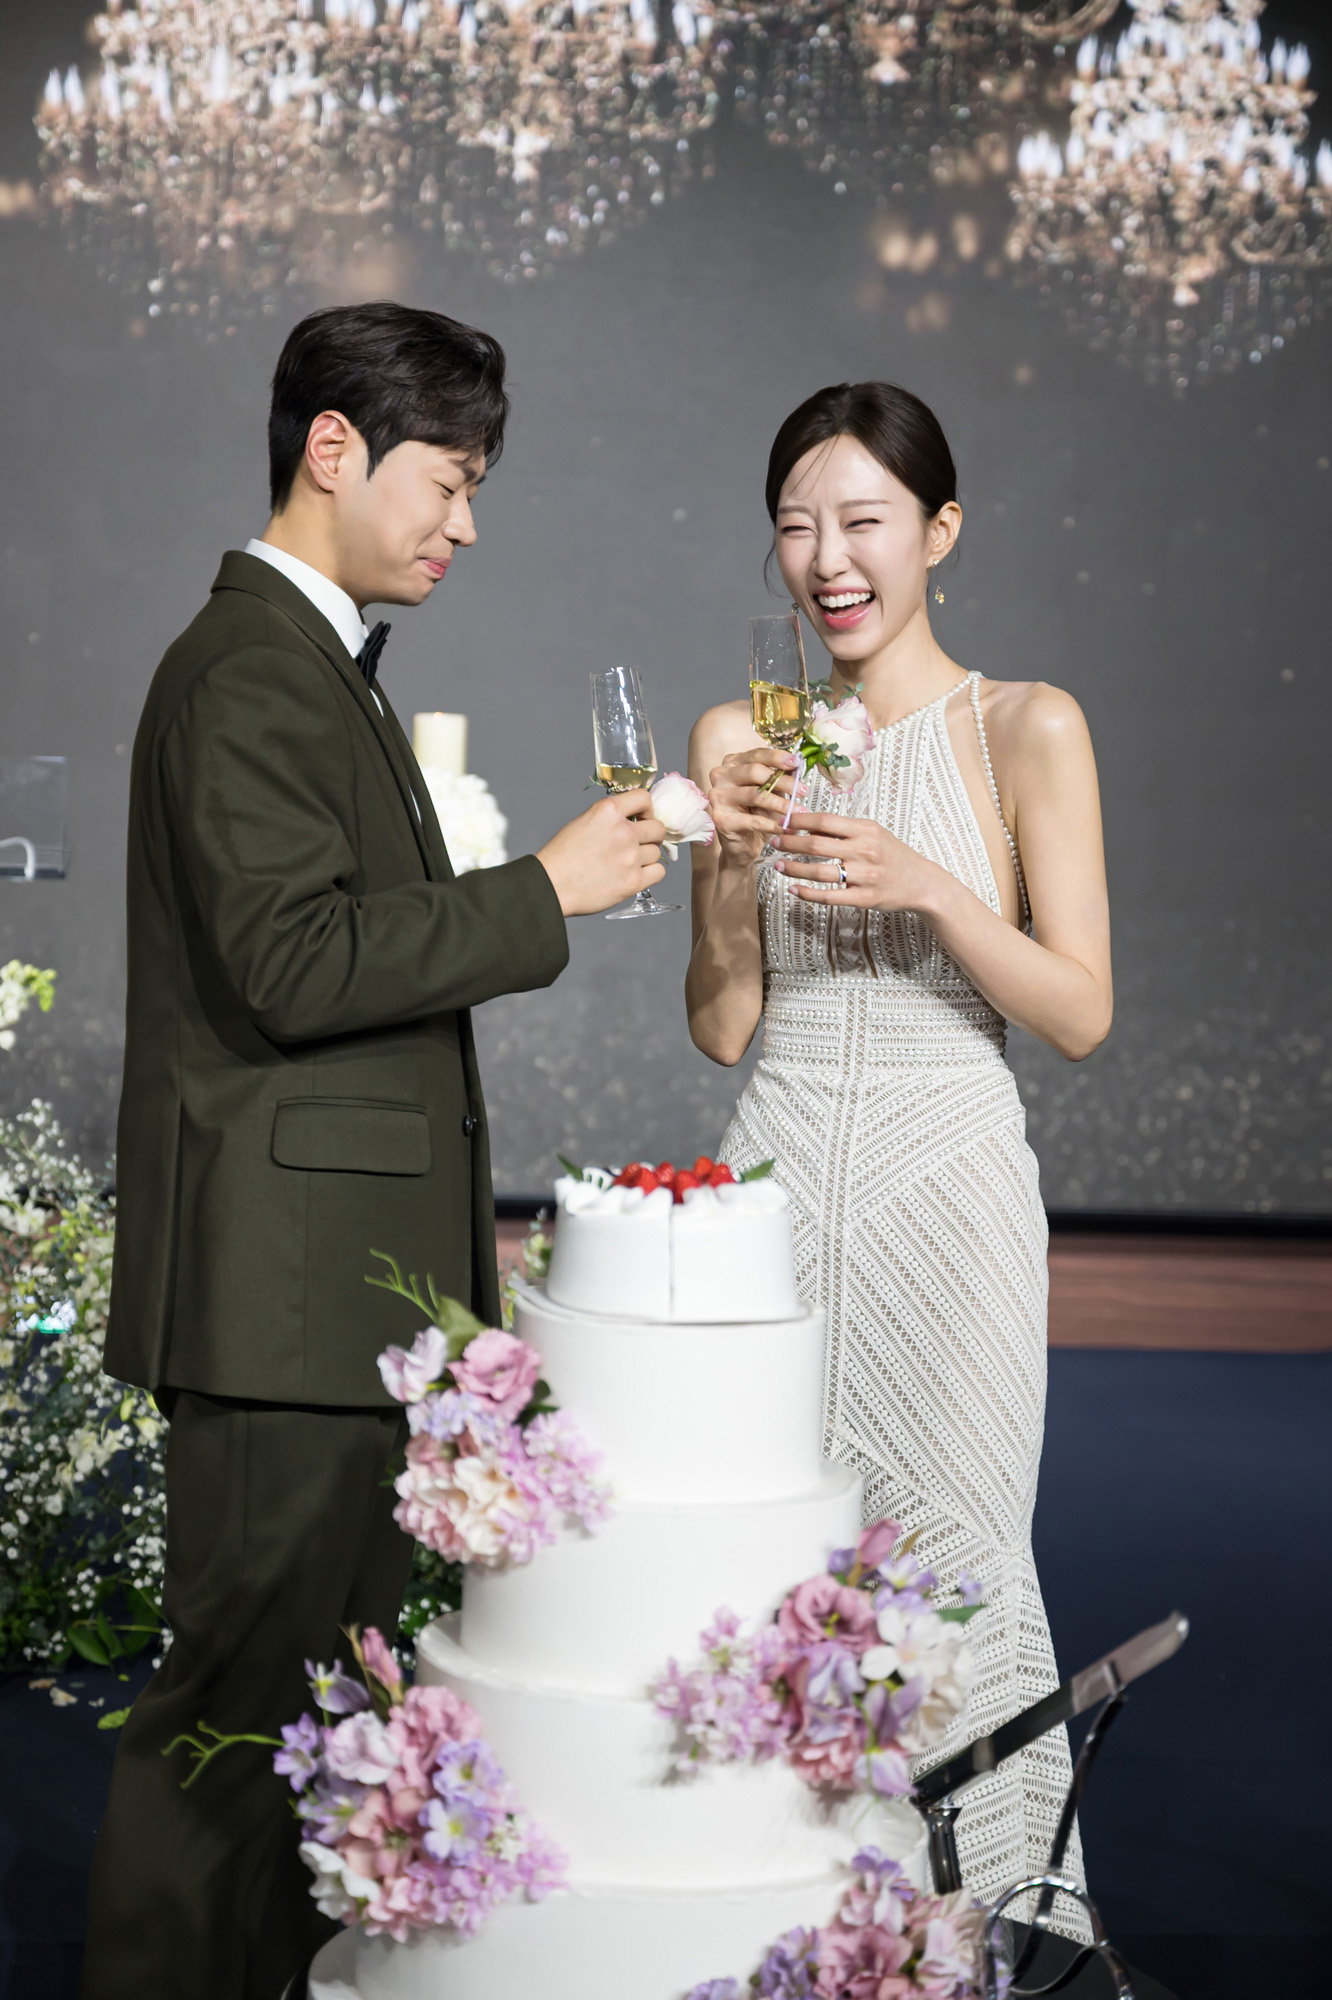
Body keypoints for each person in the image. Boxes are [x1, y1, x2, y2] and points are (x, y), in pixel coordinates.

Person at [81, 301, 666, 2000]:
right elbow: (292, 964)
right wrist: (543, 893)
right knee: (232, 1732)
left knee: (302, 1732)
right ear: (333, 449)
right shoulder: (250, 666)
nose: (465, 524)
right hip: (279, 1312)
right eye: (449, 480)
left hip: (326, 1309)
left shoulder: (303, 659)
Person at [686, 382, 1112, 1922]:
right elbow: (723, 1025)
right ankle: (778, 1923)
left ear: (939, 530)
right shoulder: (742, 735)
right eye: (798, 526)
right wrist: (727, 867)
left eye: (863, 520)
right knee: (773, 1548)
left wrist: (933, 885)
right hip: (781, 1175)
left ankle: (978, 1923)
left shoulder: (1027, 727)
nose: (829, 558)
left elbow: (1079, 1012)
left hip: (954, 1193)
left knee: (960, 1559)